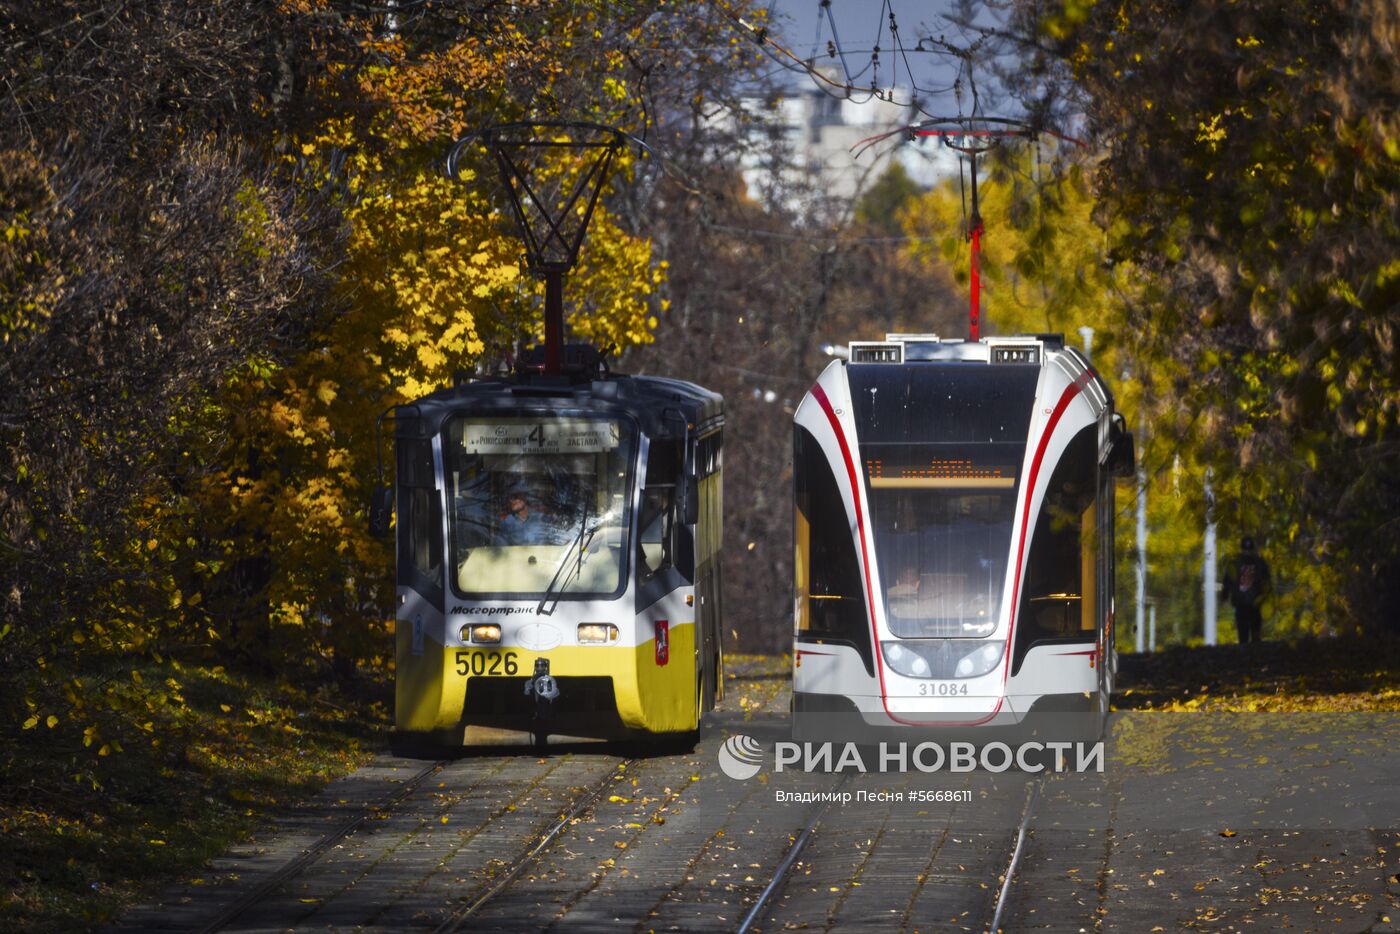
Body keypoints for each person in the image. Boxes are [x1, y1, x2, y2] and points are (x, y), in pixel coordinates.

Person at [1224, 535, 1271, 643]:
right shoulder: (1258, 562)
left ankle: (1249, 653)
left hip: (1250, 602)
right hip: (1247, 602)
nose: (1247, 553)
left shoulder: (1237, 563)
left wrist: (1225, 596)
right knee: (1247, 632)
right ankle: (1249, 654)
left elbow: (1228, 580)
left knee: (1249, 632)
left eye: (1248, 550)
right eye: (1246, 550)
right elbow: (1228, 580)